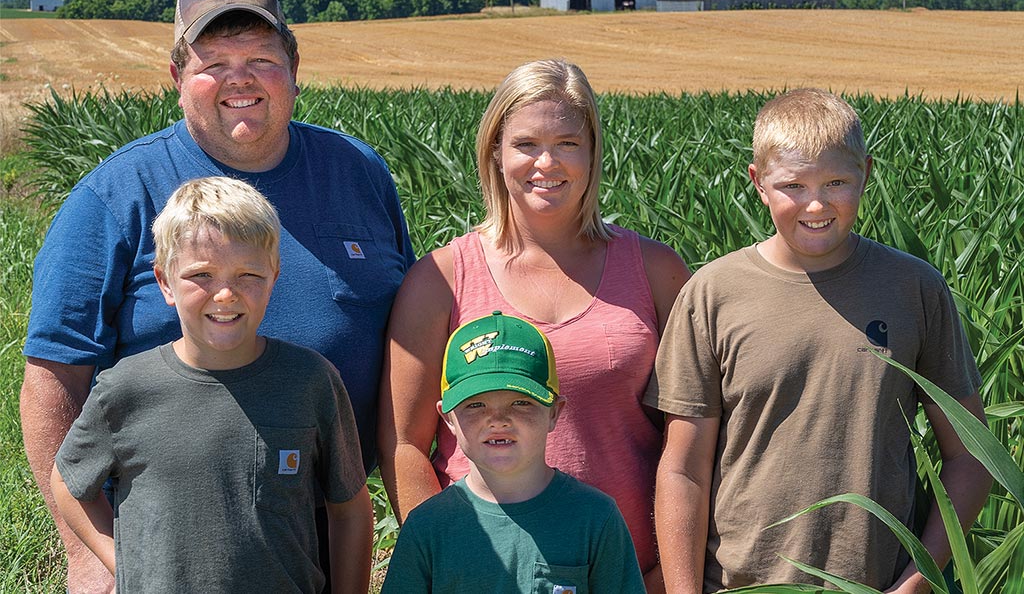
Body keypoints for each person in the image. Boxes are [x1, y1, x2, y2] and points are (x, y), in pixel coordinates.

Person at [21, 0, 414, 593]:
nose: (241, 78)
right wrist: (91, 554)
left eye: (262, 57)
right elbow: (54, 376)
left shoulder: (357, 171)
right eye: (215, 61)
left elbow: (402, 342)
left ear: (293, 67)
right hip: (171, 538)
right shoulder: (117, 193)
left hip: (318, 527)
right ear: (178, 76)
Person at [644, 88, 991, 593]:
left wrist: (918, 580)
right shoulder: (713, 293)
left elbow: (970, 455)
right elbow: (683, 468)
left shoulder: (913, 288)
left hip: (875, 583)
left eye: (836, 182)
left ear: (866, 174)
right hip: (740, 582)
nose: (816, 203)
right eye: (793, 184)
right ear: (758, 183)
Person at [378, 58, 691, 591]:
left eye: (568, 142)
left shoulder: (658, 271)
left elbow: (692, 437)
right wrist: (450, 560)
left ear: (593, 154)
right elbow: (405, 445)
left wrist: (671, 574)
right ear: (495, 153)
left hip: (632, 573)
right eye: (525, 144)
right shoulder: (441, 279)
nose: (547, 162)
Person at [50, 177, 372, 593]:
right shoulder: (125, 388)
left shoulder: (312, 382)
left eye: (247, 274)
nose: (225, 294)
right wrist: (125, 564)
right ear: (165, 282)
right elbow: (68, 482)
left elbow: (350, 511)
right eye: (201, 274)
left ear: (274, 276)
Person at [381, 310, 646, 592]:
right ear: (448, 419)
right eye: (475, 405)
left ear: (555, 412)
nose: (498, 419)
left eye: (520, 402)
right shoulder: (428, 526)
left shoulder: (595, 517)